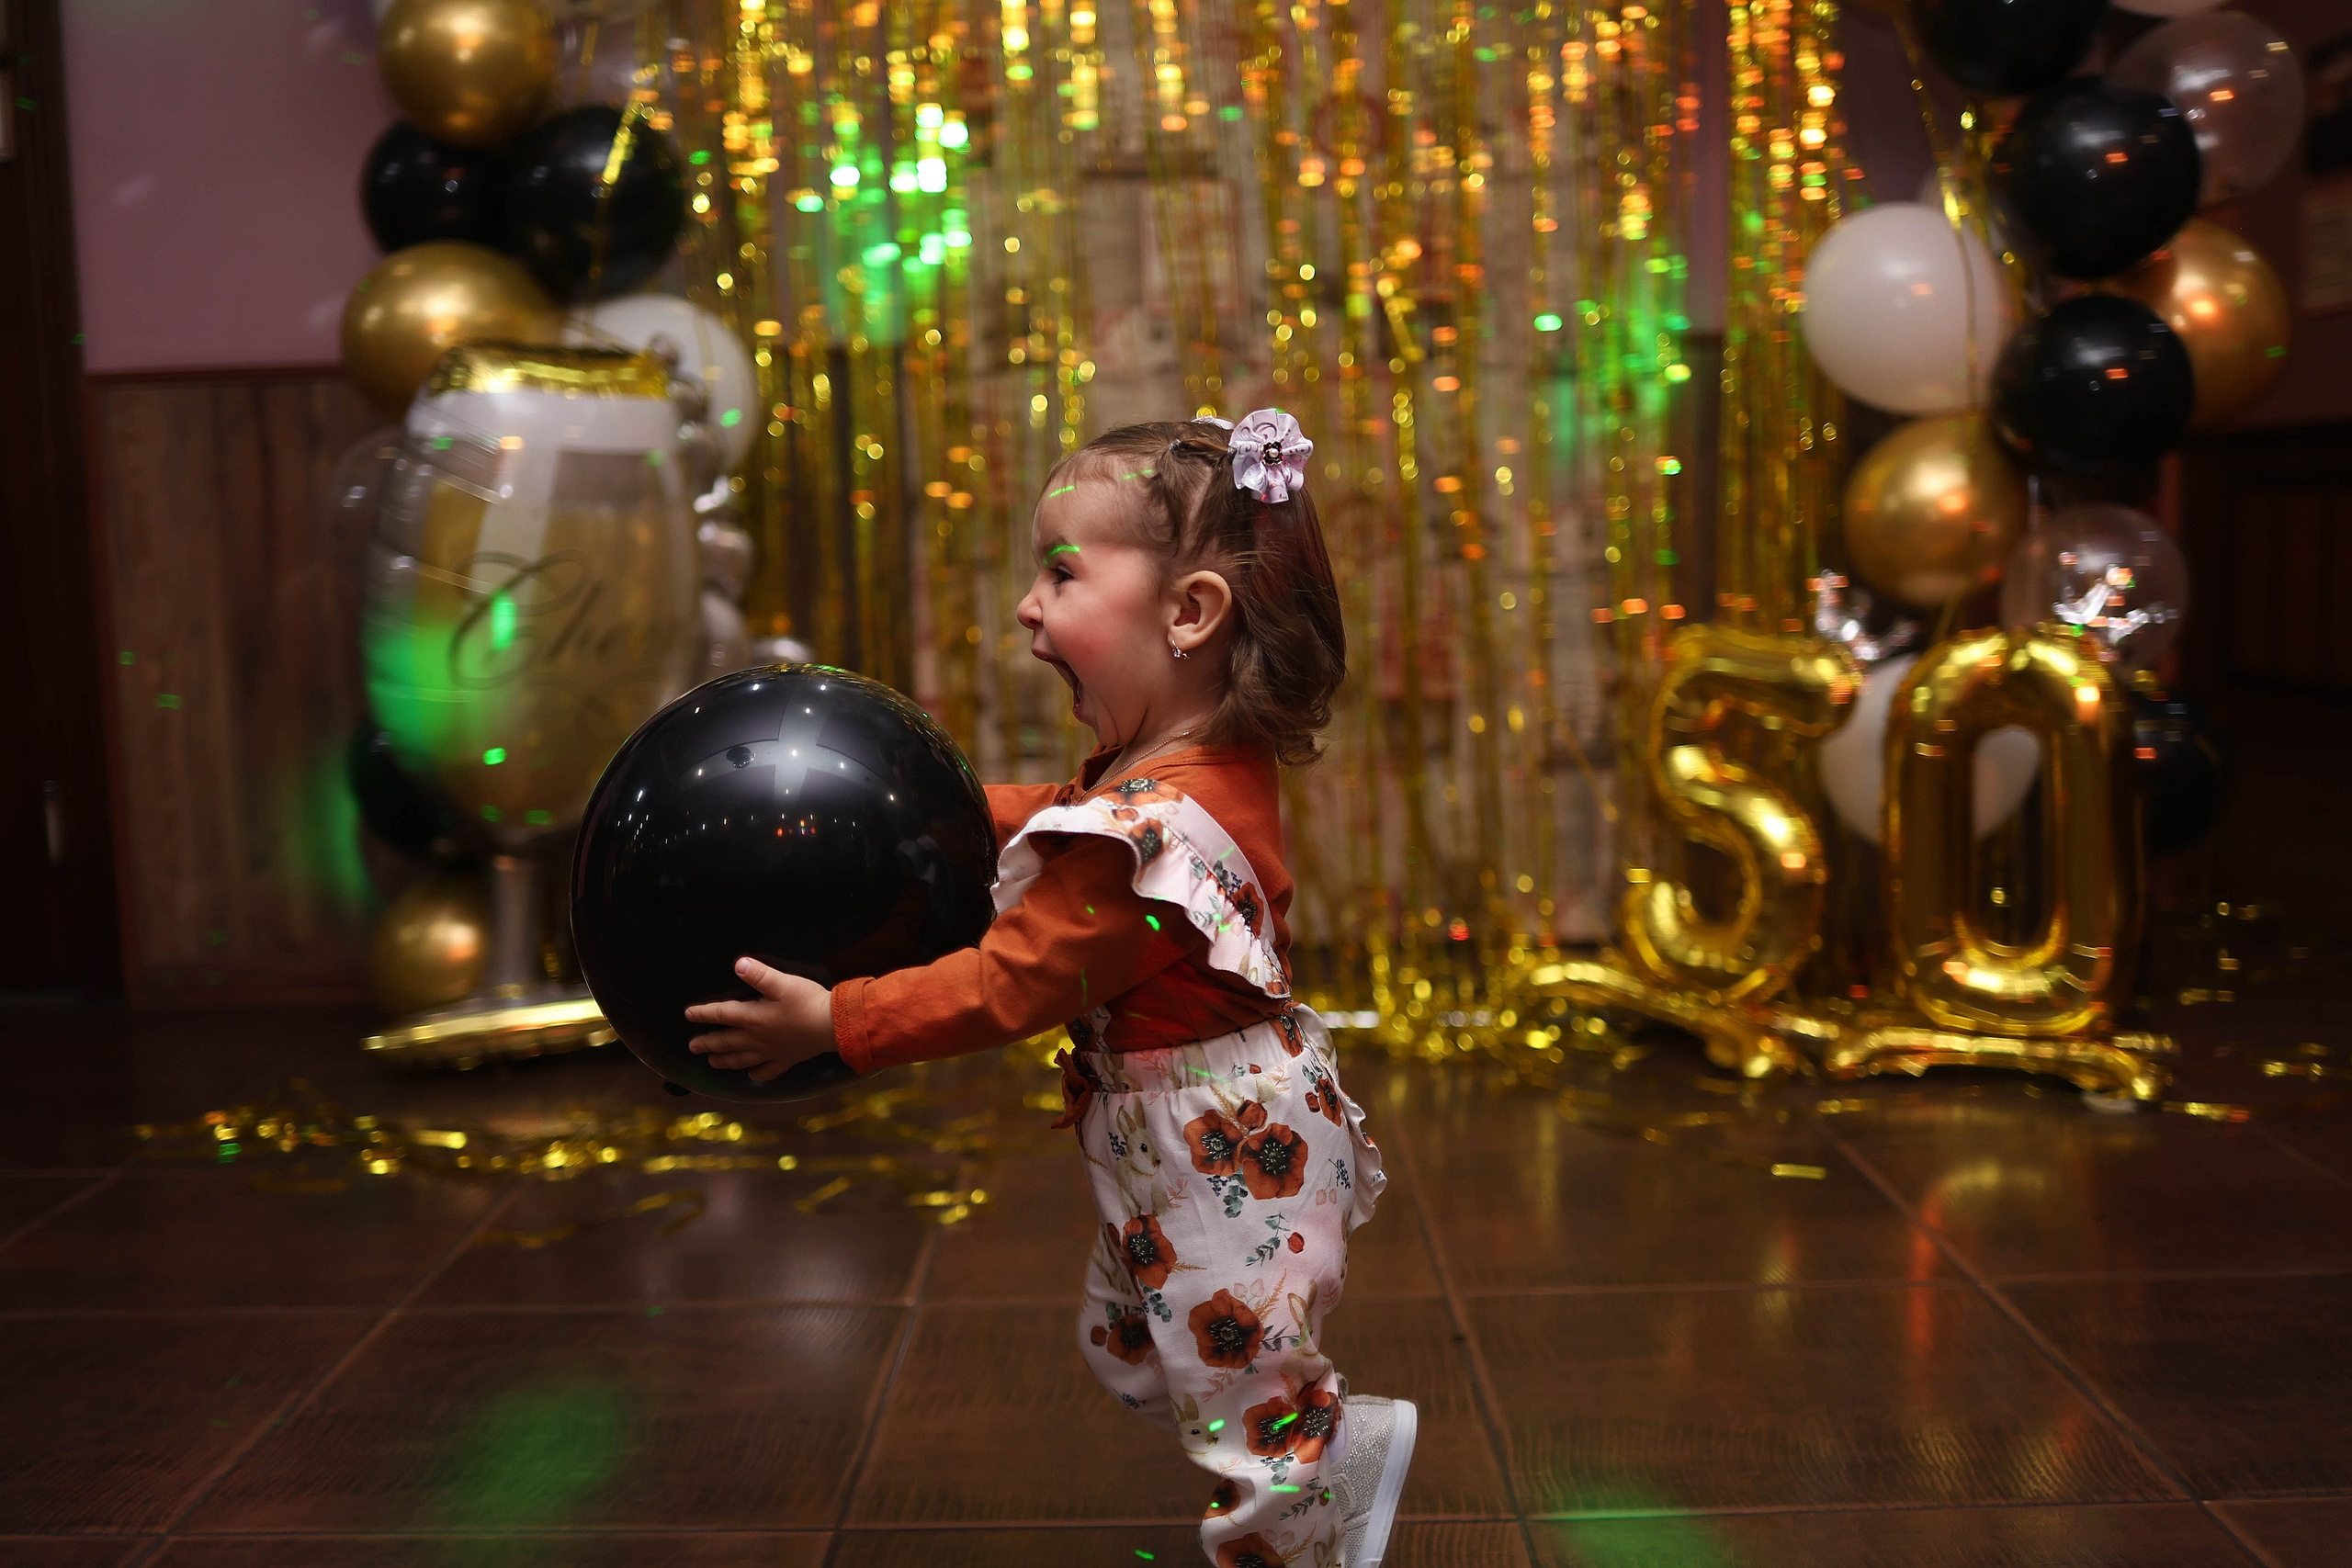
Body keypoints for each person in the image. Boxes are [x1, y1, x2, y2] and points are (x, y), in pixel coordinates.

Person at [683, 410, 1414, 1568]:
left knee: (1242, 1414)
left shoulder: (1166, 825)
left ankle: (1307, 1529)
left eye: (1061, 572)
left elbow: (1012, 982)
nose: (1028, 604)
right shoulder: (1172, 766)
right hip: (1167, 1138)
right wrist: (935, 812)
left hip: (1228, 1145)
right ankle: (1323, 1433)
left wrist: (841, 1021)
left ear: (1189, 614)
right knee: (1129, 1351)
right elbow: (1069, 821)